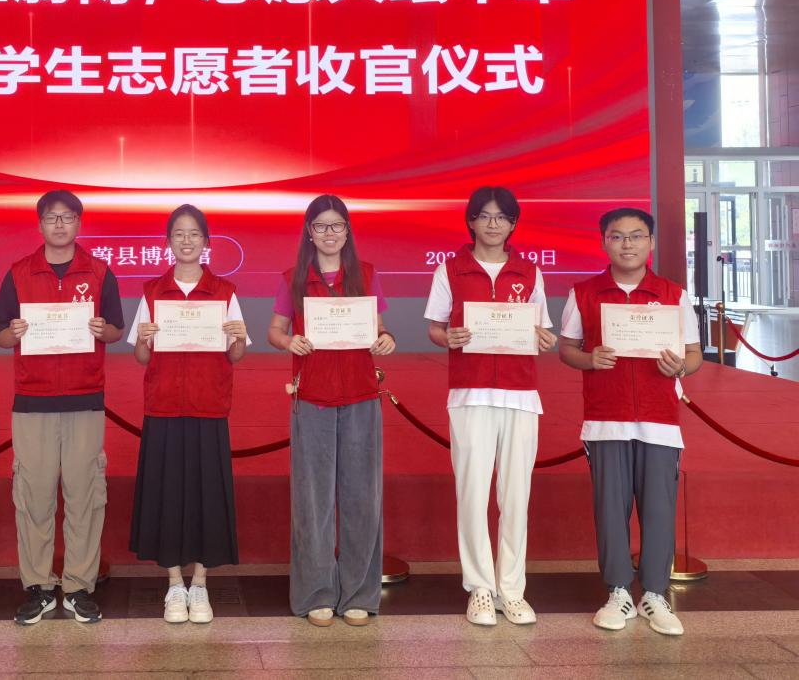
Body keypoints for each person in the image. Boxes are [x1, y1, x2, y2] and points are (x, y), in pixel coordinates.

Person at [558, 207, 703, 637]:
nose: (627, 244)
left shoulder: (673, 294)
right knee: (610, 509)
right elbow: (567, 349)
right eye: (617, 236)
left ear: (650, 243)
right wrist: (589, 358)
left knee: (659, 510)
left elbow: (694, 354)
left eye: (636, 236)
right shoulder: (584, 293)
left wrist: (681, 367)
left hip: (660, 420)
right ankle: (618, 591)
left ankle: (655, 594)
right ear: (604, 242)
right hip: (606, 418)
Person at [423, 187, 557, 627]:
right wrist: (448, 337)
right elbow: (435, 328)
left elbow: (542, 329)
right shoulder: (450, 269)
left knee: (516, 496)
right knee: (472, 492)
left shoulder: (530, 272)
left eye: (502, 217)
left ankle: (512, 589)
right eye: (484, 216)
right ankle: (480, 588)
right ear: (471, 221)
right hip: (470, 393)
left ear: (513, 223)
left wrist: (545, 339)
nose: (493, 224)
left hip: (521, 394)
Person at [0, 190, 125, 625]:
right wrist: (14, 333)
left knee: (85, 495)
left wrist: (103, 330)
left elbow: (116, 330)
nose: (60, 225)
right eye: (52, 218)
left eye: (68, 217)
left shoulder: (100, 272)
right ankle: (39, 587)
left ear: (79, 223)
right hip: (32, 401)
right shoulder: (18, 273)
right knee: (33, 496)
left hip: (85, 398)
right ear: (40, 224)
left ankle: (79, 586)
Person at [267, 194, 395, 627]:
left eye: (337, 225)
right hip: (312, 399)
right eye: (320, 226)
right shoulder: (293, 279)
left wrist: (386, 340)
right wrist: (290, 341)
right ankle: (316, 592)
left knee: (362, 499)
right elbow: (275, 330)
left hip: (361, 397)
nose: (329, 233)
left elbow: (380, 329)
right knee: (313, 501)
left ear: (347, 231)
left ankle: (359, 592)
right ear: (309, 232)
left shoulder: (366, 275)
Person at [129, 204, 248, 624]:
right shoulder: (152, 291)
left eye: (194, 234)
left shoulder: (224, 292)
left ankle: (200, 584)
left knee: (205, 495)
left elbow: (235, 354)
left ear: (206, 243)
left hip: (208, 407)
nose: (186, 241)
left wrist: (238, 338)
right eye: (179, 234)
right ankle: (174, 584)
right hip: (163, 407)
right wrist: (143, 339)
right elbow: (142, 357)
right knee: (167, 495)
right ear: (168, 242)